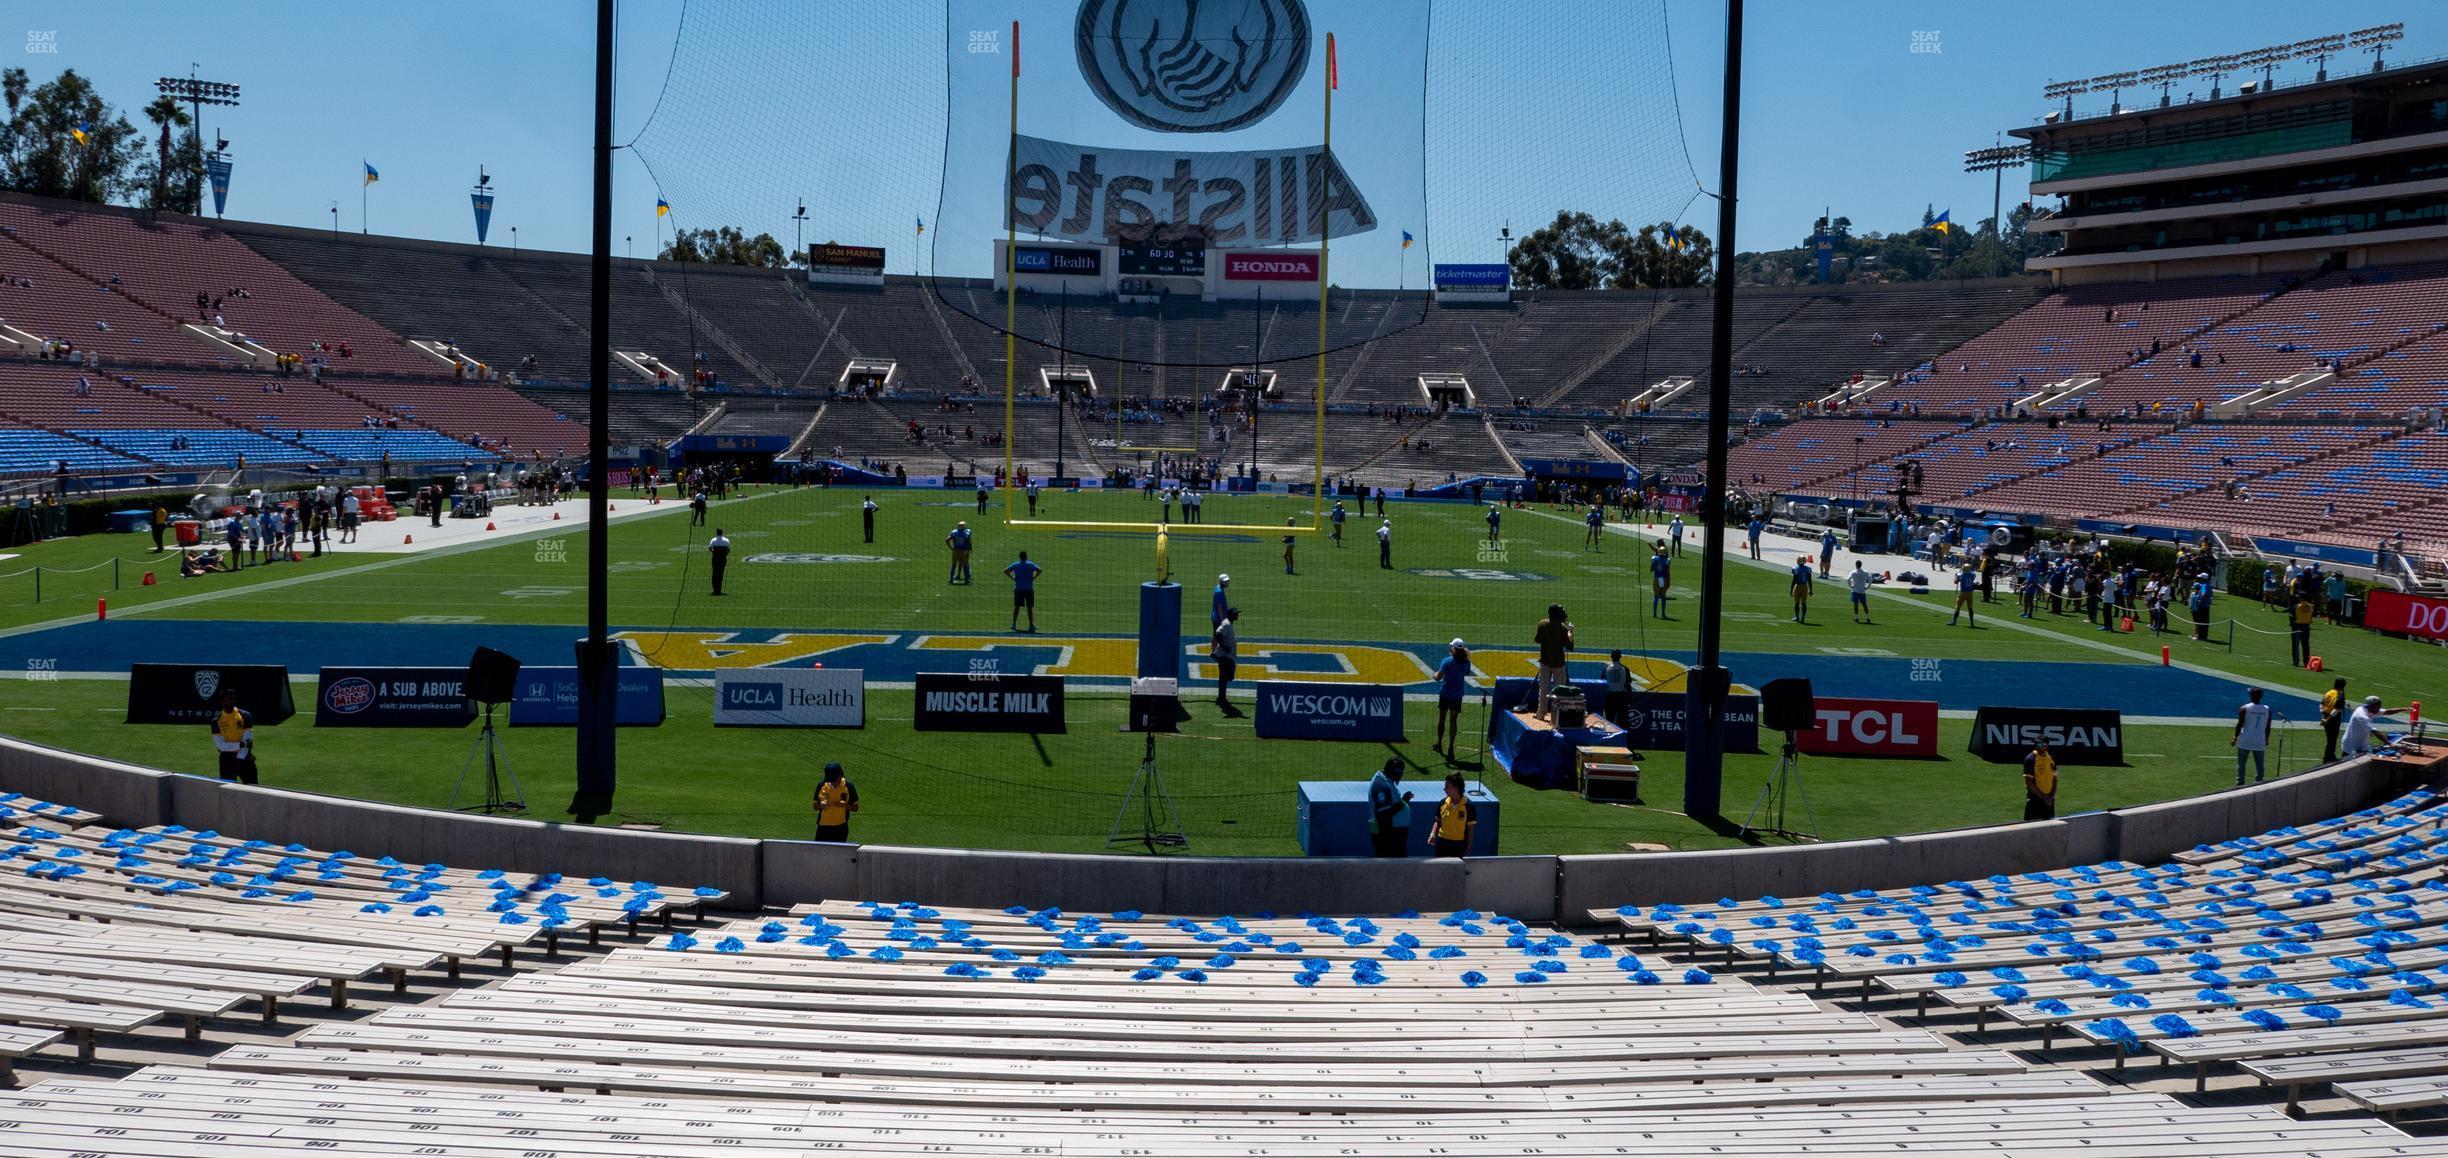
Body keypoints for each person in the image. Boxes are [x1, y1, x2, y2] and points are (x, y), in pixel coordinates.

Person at [1533, 603, 1573, 723]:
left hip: (1545, 662)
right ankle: (1557, 717)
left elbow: (1537, 639)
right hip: (1558, 664)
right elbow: (1570, 646)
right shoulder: (1563, 628)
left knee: (1543, 689)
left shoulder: (1543, 624)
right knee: (1559, 691)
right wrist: (1570, 632)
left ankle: (1541, 713)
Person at [209, 689, 258, 785]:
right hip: (226, 760)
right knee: (227, 790)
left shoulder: (245, 716)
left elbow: (247, 742)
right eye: (229, 699)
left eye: (234, 698)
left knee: (254, 789)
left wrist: (239, 759)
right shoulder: (216, 721)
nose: (233, 701)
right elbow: (221, 746)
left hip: (244, 758)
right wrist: (241, 744)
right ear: (222, 701)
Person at [1366, 757, 1412, 858]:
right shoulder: (1380, 785)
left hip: (1394, 832)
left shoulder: (1387, 780)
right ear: (1393, 772)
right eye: (1399, 773)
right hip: (1386, 833)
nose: (1400, 776)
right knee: (1390, 866)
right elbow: (1384, 815)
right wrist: (1403, 801)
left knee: (1398, 865)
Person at [1434, 639, 1470, 758]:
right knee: (1453, 721)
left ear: (1453, 648)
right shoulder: (1466, 662)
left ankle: (1439, 743)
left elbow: (1438, 677)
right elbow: (1467, 673)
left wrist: (1434, 674)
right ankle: (1450, 747)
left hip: (1445, 693)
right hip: (1457, 695)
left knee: (1442, 719)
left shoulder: (1447, 661)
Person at [1429, 773, 1476, 858]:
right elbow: (1437, 821)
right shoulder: (1442, 803)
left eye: (1447, 786)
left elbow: (1470, 829)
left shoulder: (1469, 806)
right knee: (1440, 870)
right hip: (1442, 843)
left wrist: (1468, 846)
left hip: (1458, 845)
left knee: (1455, 871)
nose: (1444, 789)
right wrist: (1432, 834)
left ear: (1456, 788)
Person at [2233, 687, 2273, 786]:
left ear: (2251, 696)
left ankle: (2240, 783)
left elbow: (2239, 724)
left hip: (2245, 740)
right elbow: (2268, 727)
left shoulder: (2245, 708)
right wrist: (2266, 739)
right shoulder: (2267, 709)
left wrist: (2235, 737)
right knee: (2259, 764)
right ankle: (2258, 782)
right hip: (2259, 741)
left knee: (2241, 764)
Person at [813, 761, 859, 842]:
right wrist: (821, 805)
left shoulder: (848, 786)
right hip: (823, 827)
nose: (831, 781)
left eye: (834, 779)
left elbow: (855, 807)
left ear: (840, 774)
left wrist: (845, 805)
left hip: (840, 828)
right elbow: (815, 806)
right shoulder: (822, 785)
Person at [1005, 550, 1041, 632]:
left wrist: (1013, 578)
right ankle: (1031, 625)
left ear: (1020, 557)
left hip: (1018, 588)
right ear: (1026, 556)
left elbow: (1005, 570)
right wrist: (1034, 578)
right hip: (1028, 588)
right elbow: (1039, 570)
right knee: (1029, 608)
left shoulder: (1016, 564)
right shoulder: (1030, 564)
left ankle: (1014, 624)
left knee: (1017, 607)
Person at [2021, 739, 2056, 822]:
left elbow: (2054, 778)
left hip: (2049, 801)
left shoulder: (2051, 757)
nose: (2037, 745)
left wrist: (2051, 797)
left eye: (2040, 744)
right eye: (2037, 744)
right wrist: (2043, 797)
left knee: (2050, 827)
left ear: (2046, 745)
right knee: (2030, 827)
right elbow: (2029, 783)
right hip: (2035, 800)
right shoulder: (2030, 759)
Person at [1210, 608, 1239, 707]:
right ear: (1230, 615)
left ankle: (1221, 698)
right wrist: (1224, 647)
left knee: (1226, 677)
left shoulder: (1229, 624)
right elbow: (1218, 634)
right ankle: (1221, 699)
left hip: (1227, 656)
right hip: (1224, 656)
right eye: (1235, 614)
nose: (1237, 615)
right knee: (1224, 677)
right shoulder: (1226, 624)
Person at [1602, 649, 1632, 726]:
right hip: (1621, 696)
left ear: (1611, 657)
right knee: (1622, 721)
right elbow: (1628, 685)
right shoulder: (1625, 669)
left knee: (1609, 720)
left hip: (1610, 696)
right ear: (1620, 657)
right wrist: (1629, 699)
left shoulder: (1606, 669)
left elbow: (1602, 684)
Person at [2321, 677, 2348, 763]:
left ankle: (2328, 755)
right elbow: (2336, 710)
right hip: (2333, 720)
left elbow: (2321, 705)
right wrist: (2328, 719)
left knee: (2330, 739)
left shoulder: (2328, 693)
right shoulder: (2340, 695)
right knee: (2332, 739)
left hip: (2326, 717)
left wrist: (2324, 717)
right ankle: (2329, 757)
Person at [2288, 595, 2315, 667]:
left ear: (2301, 598)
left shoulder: (2296, 606)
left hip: (2297, 627)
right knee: (2305, 645)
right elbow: (2311, 616)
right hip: (2306, 627)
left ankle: (2295, 661)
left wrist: (2291, 624)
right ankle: (2306, 662)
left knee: (2295, 645)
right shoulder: (2311, 606)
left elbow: (2291, 616)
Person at [1948, 562, 1978, 627]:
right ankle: (1972, 623)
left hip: (1963, 592)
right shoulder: (1972, 575)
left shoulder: (1961, 575)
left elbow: (1955, 581)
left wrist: (1956, 575)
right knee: (1970, 608)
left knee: (1957, 607)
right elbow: (1973, 575)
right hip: (1970, 593)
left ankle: (1954, 621)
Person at [2188, 573, 2214, 641]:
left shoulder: (2204, 586)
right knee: (2204, 621)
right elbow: (2211, 594)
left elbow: (2203, 594)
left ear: (2203, 579)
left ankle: (2199, 636)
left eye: (2200, 578)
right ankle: (2203, 636)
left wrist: (2200, 601)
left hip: (2202, 606)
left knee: (2200, 621)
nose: (2199, 579)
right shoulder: (2208, 585)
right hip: (2206, 606)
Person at [1788, 555, 1813, 624]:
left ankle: (1797, 616)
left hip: (1798, 586)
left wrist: (1791, 589)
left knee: (1796, 603)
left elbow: (1794, 580)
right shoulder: (1808, 569)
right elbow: (1810, 580)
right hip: (1805, 586)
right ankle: (1803, 618)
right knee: (1804, 603)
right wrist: (1811, 590)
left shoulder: (1795, 568)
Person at [1649, 542, 1671, 618]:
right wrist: (1668, 582)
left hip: (1656, 578)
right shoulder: (1667, 560)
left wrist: (1654, 564)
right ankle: (1663, 613)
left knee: (1656, 597)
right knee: (1663, 596)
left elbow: (1651, 570)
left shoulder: (1654, 558)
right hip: (1663, 579)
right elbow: (1668, 573)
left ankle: (1654, 613)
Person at [1848, 559, 1874, 624]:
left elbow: (1848, 579)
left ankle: (1856, 618)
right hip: (1862, 590)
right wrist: (1867, 587)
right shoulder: (1865, 572)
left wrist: (1851, 586)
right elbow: (1870, 580)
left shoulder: (1853, 572)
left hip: (1855, 590)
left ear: (1856, 565)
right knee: (1864, 604)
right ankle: (1867, 618)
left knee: (1856, 604)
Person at [707, 528, 731, 596]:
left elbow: (710, 548)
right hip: (723, 558)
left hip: (715, 558)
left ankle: (715, 589)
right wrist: (724, 554)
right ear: (722, 532)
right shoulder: (726, 540)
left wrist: (714, 552)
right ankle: (719, 589)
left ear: (716, 533)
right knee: (721, 573)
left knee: (714, 573)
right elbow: (728, 550)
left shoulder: (713, 540)